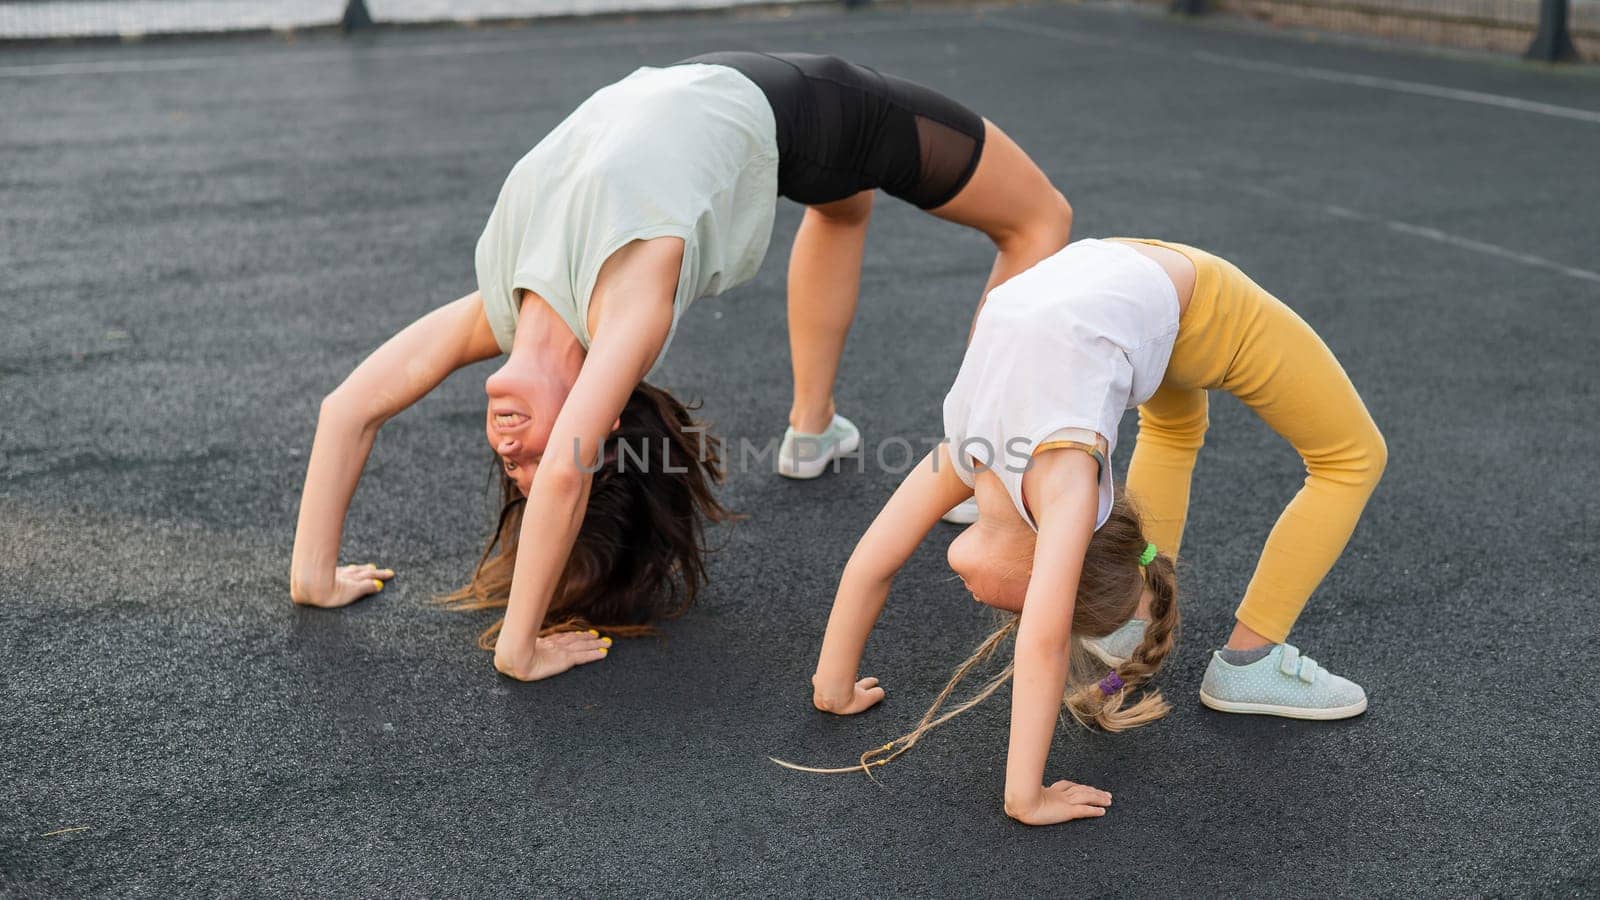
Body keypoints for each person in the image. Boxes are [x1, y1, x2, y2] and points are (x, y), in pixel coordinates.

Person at [288, 52, 1073, 682]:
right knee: (1038, 219)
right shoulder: (629, 305)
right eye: (536, 464)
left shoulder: (503, 302)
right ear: (603, 419)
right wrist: (517, 649)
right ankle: (964, 463)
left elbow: (348, 408)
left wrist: (313, 578)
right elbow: (568, 475)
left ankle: (816, 430)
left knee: (845, 201)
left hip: (735, 98)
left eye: (511, 475)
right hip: (810, 108)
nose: (511, 453)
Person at [801, 238, 1385, 824]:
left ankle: (1244, 660)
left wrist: (838, 683)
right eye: (1033, 604)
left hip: (1153, 295)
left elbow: (881, 563)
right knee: (1320, 451)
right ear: (1054, 559)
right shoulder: (1055, 486)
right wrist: (833, 687)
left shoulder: (968, 451)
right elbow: (1039, 637)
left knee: (1350, 456)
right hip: (1158, 293)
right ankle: (1188, 641)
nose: (1001, 610)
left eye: (1026, 609)